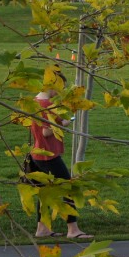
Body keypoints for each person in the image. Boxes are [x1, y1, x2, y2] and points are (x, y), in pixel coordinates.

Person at [28, 71, 92, 240]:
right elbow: (47, 131)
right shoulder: (47, 104)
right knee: (68, 189)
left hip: (37, 153)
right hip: (48, 155)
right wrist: (65, 122)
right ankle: (73, 229)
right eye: (60, 86)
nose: (61, 90)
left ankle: (42, 229)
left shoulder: (34, 102)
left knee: (45, 193)